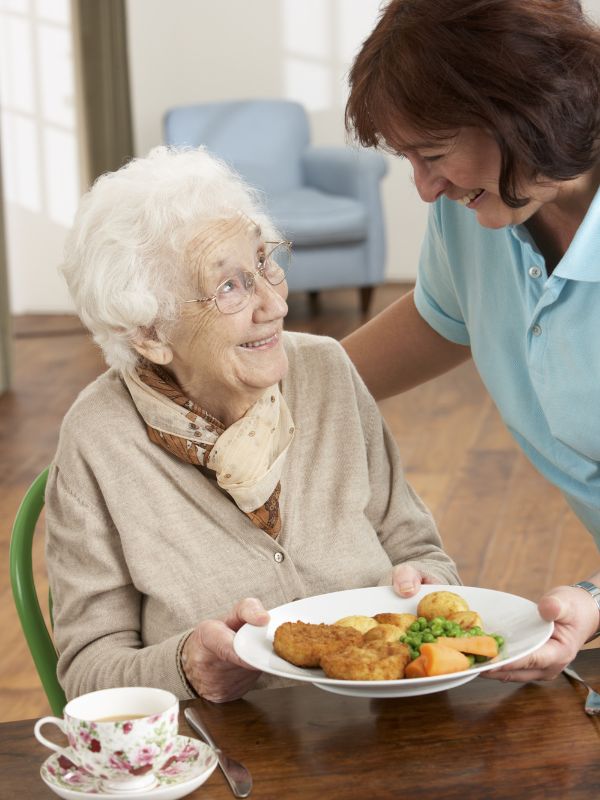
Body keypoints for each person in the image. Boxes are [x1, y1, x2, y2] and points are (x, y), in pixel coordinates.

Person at [46, 146, 458, 703]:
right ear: (149, 333)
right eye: (229, 287)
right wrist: (187, 667)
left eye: (265, 263)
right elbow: (86, 672)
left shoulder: (326, 370)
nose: (275, 304)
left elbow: (418, 547)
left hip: (388, 716)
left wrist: (426, 587)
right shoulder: (99, 440)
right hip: (232, 746)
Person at [342, 0, 600, 682]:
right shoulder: (480, 210)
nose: (425, 188)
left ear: (527, 111)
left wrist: (596, 601)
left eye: (433, 154)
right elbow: (442, 318)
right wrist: (280, 388)